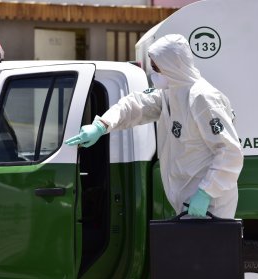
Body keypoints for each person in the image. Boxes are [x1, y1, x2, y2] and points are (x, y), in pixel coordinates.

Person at [65, 34, 243, 219]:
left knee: (210, 248)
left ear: (173, 66)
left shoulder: (202, 98)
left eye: (157, 68)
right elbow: (136, 105)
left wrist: (206, 193)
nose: (154, 73)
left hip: (210, 203)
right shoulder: (169, 93)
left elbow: (229, 153)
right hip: (189, 199)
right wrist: (102, 125)